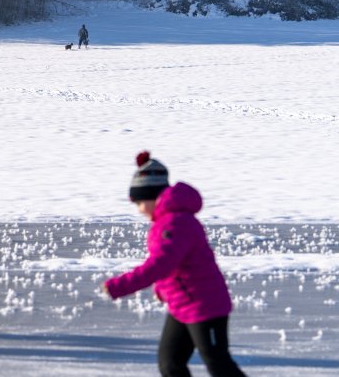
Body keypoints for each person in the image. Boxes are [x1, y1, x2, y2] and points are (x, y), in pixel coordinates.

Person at [104, 152, 245, 377]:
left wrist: (120, 286)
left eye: (140, 202)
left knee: (218, 363)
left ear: (153, 197)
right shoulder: (166, 222)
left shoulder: (176, 223)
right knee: (170, 364)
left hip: (204, 305)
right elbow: (175, 265)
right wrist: (163, 288)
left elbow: (162, 263)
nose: (139, 209)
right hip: (182, 306)